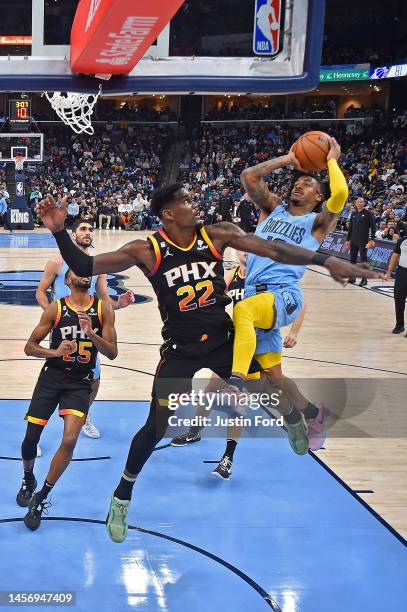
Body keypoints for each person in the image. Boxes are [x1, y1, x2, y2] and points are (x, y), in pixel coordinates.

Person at [36, 184, 381, 543]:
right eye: (185, 201)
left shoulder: (218, 233)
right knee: (156, 427)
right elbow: (84, 264)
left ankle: (296, 418)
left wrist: (325, 260)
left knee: (267, 383)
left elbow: (274, 248)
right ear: (169, 213)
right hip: (180, 350)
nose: (194, 203)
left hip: (221, 339)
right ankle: (122, 495)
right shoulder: (147, 250)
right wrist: (60, 230)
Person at [227, 138, 349, 452]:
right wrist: (287, 159)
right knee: (271, 380)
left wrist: (331, 160)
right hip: (256, 294)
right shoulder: (274, 209)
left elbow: (342, 194)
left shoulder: (317, 223)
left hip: (283, 295)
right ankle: (305, 414)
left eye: (308, 184)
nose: (300, 185)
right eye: (299, 182)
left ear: (318, 196)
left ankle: (235, 382)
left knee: (243, 312)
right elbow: (249, 178)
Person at [171, 249, 310, 481]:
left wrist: (295, 331)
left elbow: (299, 301)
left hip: (263, 343)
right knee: (213, 391)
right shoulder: (233, 274)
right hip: (238, 344)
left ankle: (289, 419)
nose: (246, 253)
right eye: (242, 250)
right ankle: (197, 433)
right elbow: (215, 300)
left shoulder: (266, 273)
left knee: (266, 392)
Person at [18, 269, 118, 530]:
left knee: (71, 439)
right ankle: (29, 478)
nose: (83, 275)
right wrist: (54, 351)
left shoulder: (104, 309)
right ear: (67, 280)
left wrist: (92, 334)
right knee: (31, 438)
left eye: (87, 272)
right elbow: (29, 347)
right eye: (77, 271)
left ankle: (41, 497)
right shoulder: (56, 309)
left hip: (80, 382)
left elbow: (113, 353)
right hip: (51, 378)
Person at [35, 219, 134, 438]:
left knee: (95, 378)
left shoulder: (97, 267)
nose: (88, 232)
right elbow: (41, 291)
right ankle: (37, 429)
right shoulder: (57, 262)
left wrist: (121, 303)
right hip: (62, 329)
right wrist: (52, 315)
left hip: (88, 328)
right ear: (73, 235)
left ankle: (83, 414)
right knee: (52, 379)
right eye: (83, 229)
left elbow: (105, 299)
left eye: (90, 229)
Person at [344, 197, 376, 287]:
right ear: (356, 203)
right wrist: (347, 240)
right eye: (358, 202)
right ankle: (352, 277)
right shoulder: (353, 214)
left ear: (364, 203)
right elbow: (350, 228)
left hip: (363, 240)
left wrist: (372, 239)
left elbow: (373, 227)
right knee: (352, 259)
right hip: (354, 239)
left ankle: (364, 279)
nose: (359, 203)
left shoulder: (369, 213)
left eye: (361, 202)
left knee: (363, 260)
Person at [385, 233, 407, 334]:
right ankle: (399, 324)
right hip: (402, 272)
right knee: (398, 298)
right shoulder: (402, 241)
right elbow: (394, 257)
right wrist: (388, 272)